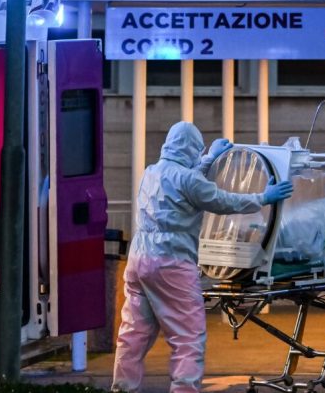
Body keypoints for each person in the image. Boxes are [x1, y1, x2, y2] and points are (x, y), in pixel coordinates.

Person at [112, 121, 294, 393]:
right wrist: (263, 197)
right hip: (171, 262)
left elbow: (186, 182)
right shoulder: (189, 180)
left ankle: (122, 388)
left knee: (133, 335)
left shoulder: (151, 172)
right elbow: (222, 201)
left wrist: (209, 158)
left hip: (139, 260)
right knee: (188, 338)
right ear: (192, 149)